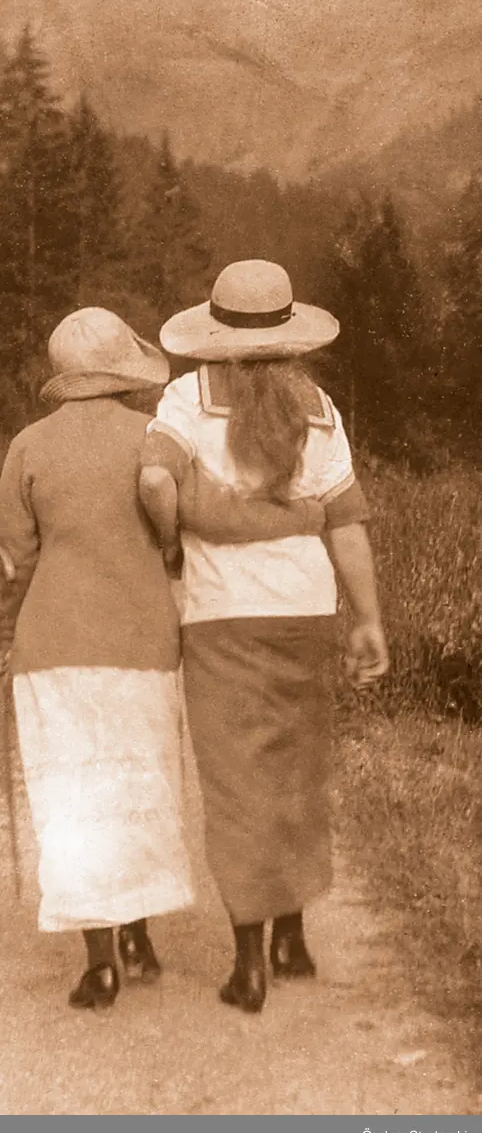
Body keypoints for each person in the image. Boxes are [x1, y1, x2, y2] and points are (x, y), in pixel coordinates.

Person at [0, 305, 331, 1011]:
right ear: (123, 371)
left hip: (53, 647)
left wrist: (0, 640)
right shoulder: (154, 436)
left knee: (73, 795)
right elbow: (197, 514)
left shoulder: (28, 445)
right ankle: (141, 940)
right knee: (138, 788)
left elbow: (12, 561)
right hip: (144, 642)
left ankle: (102, 964)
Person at [139, 260, 389, 1014]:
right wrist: (369, 618)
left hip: (221, 615)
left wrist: (174, 539)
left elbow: (153, 481)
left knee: (237, 783)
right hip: (304, 611)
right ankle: (293, 939)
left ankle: (249, 962)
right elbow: (346, 520)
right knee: (297, 771)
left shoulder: (186, 399)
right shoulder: (318, 407)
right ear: (290, 337)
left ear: (214, 334)